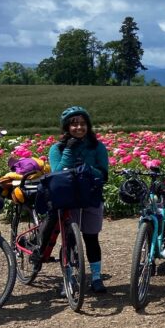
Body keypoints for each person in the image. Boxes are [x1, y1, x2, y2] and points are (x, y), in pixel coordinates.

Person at [44, 106, 110, 294]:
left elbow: (104, 174)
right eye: (74, 124)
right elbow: (57, 172)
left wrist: (87, 169)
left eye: (82, 124)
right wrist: (69, 151)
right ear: (66, 128)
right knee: (69, 240)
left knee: (91, 239)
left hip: (91, 196)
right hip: (67, 198)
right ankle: (69, 278)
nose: (79, 128)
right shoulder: (57, 149)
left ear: (88, 126)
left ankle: (96, 277)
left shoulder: (97, 147)